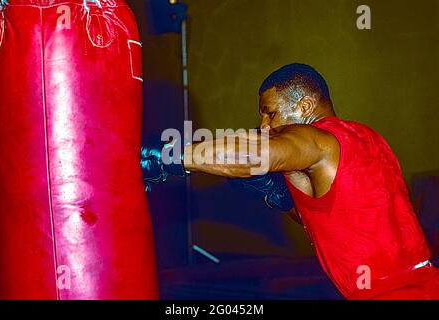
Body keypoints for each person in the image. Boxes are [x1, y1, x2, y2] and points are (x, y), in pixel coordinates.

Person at [142, 63, 439, 300]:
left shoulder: (317, 139)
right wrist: (281, 198)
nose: (264, 126)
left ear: (305, 106)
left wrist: (164, 157)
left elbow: (254, 154)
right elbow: (341, 217)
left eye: (270, 114)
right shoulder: (367, 138)